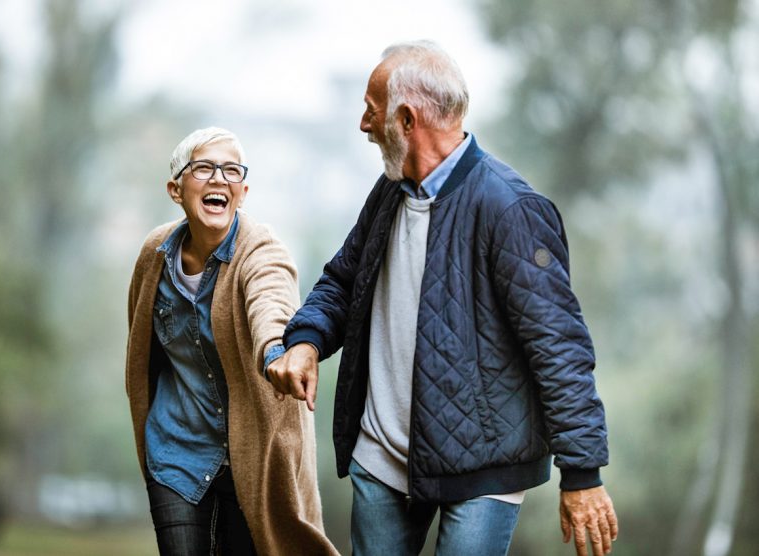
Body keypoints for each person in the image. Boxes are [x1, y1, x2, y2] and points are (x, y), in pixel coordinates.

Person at [266, 41, 619, 556]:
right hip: (382, 460)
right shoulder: (389, 192)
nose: (364, 126)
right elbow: (343, 282)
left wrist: (582, 473)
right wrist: (305, 341)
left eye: (371, 111)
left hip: (484, 470)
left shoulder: (510, 208)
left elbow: (558, 348)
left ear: (406, 119)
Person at [125, 127, 338, 555]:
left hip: (251, 457)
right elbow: (141, 348)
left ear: (242, 191)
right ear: (175, 188)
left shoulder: (261, 250)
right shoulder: (155, 256)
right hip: (175, 451)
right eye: (203, 168)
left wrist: (277, 352)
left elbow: (271, 304)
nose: (218, 178)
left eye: (230, 170)